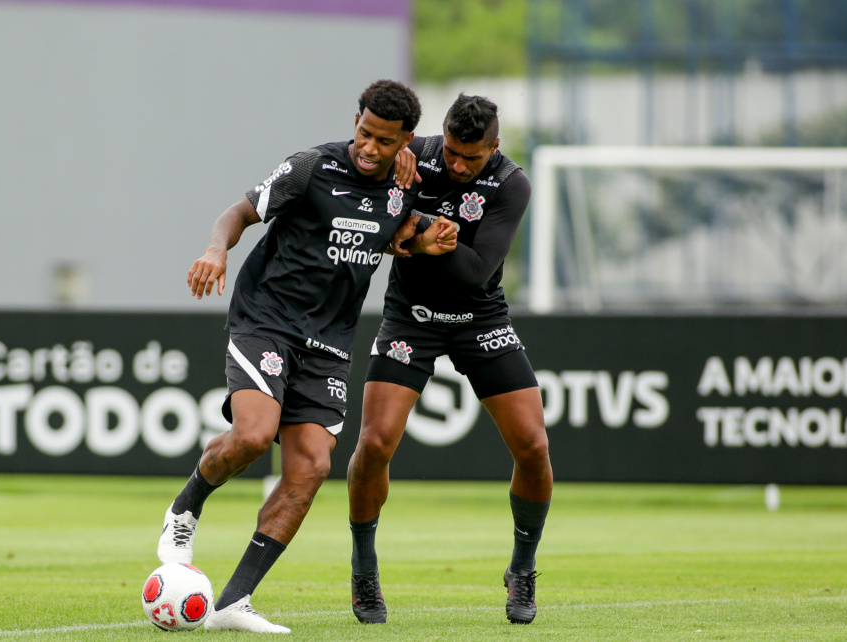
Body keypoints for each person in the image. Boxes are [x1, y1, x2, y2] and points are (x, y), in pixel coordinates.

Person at [156, 80, 457, 634]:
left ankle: (232, 603)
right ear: (357, 122)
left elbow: (396, 236)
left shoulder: (406, 183)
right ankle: (185, 508)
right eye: (364, 133)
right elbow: (238, 212)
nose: (369, 147)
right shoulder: (310, 167)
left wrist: (422, 242)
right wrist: (214, 250)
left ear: (405, 140)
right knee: (251, 437)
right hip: (265, 320)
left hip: (329, 343)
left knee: (312, 468)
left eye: (384, 141)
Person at [346, 94, 552, 626]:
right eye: (454, 153)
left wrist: (423, 231)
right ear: (443, 135)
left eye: (472, 158)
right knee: (373, 442)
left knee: (533, 445)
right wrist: (412, 219)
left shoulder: (512, 183)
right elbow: (374, 226)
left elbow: (477, 269)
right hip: (410, 318)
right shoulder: (412, 157)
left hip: (481, 320)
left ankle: (522, 568)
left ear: (495, 147)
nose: (458, 166)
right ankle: (364, 568)